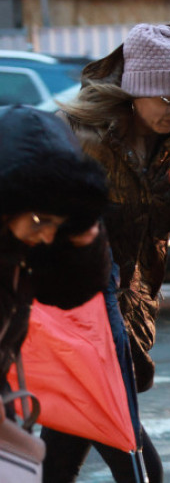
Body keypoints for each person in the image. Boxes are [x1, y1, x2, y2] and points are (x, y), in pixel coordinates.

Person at [42, 23, 170, 483]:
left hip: (125, 322)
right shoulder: (77, 138)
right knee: (139, 465)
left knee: (58, 458)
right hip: (77, 325)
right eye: (168, 100)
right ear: (134, 90)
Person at [1, 105, 111, 398]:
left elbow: (63, 294)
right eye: (41, 220)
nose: (49, 236)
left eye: (59, 225)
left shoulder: (24, 244)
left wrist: (84, 246)